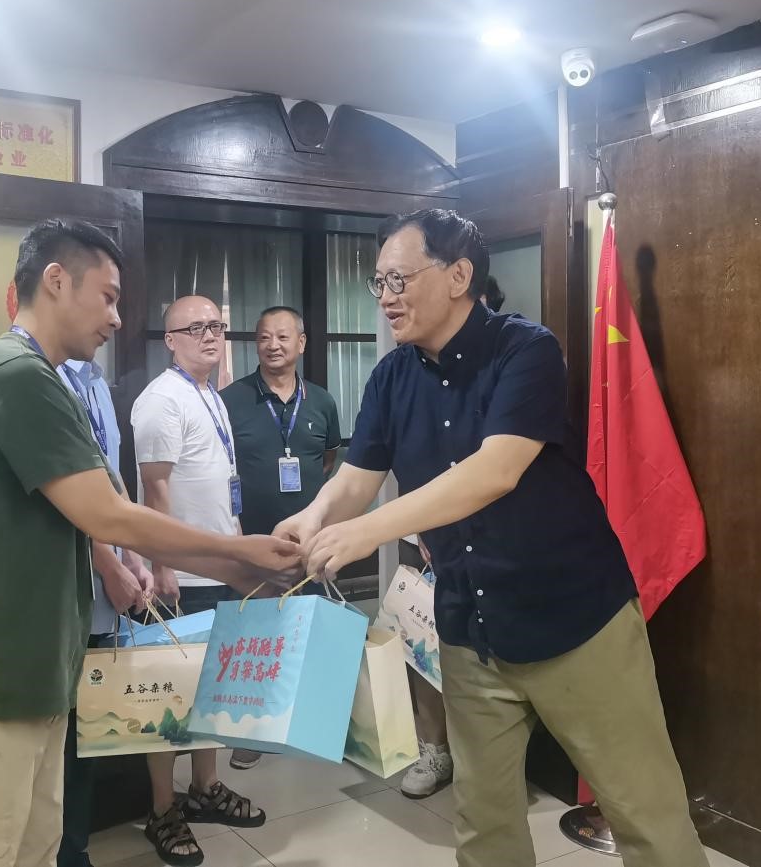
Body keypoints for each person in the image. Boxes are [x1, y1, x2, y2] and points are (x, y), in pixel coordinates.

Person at [275, 208, 708, 867]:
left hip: (576, 621)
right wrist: (314, 517)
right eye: (379, 281)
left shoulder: (525, 350)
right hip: (470, 628)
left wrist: (363, 531)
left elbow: (494, 471)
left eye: (399, 279)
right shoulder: (391, 376)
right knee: (483, 826)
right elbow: (358, 476)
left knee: (645, 812)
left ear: (458, 276)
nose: (386, 296)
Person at [0, 221, 300, 867]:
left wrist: (232, 563)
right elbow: (111, 515)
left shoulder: (49, 378)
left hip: (34, 675)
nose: (117, 317)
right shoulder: (13, 374)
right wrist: (241, 554)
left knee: (34, 848)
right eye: (109, 296)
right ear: (56, 281)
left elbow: (100, 512)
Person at [131, 296, 268, 867]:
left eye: (216, 326)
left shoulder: (209, 393)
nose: (210, 335)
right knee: (170, 696)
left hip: (216, 568)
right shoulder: (162, 399)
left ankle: (205, 788)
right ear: (170, 339)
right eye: (195, 328)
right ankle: (163, 810)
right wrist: (162, 562)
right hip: (179, 576)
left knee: (212, 689)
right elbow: (154, 489)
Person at [219, 305, 341, 771]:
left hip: (310, 542)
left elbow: (327, 461)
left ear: (301, 343)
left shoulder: (322, 402)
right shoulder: (230, 400)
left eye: (283, 336)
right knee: (255, 636)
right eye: (265, 337)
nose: (273, 345)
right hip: (253, 540)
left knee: (310, 628)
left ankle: (310, 720)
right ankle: (252, 729)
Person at [55, 356, 154, 867]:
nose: (115, 320)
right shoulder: (43, 377)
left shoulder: (96, 383)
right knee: (57, 737)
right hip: (65, 593)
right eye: (107, 311)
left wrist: (132, 555)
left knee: (87, 733)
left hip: (105, 597)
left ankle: (75, 847)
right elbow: (66, 497)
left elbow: (113, 485)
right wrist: (108, 563)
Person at [398, 535, 453, 800]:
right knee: (422, 645)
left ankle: (482, 752)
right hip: (421, 533)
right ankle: (436, 751)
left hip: (490, 535)